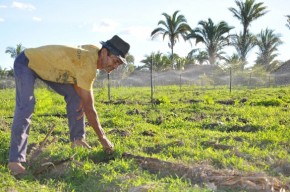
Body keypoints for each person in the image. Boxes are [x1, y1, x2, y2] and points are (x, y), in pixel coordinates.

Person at [8, 35, 130, 175]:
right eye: (115, 61)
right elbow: (90, 109)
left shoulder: (93, 52)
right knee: (26, 105)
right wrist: (103, 138)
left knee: (76, 98)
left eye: (118, 64)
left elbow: (75, 72)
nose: (114, 66)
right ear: (104, 52)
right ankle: (15, 161)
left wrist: (83, 100)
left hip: (50, 70)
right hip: (27, 62)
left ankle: (77, 140)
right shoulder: (88, 64)